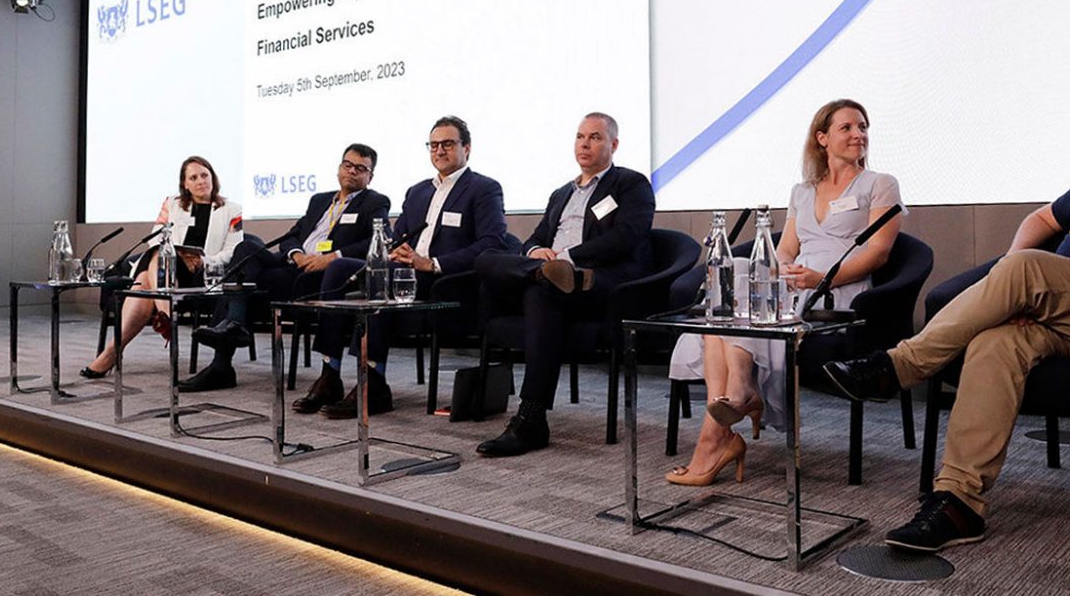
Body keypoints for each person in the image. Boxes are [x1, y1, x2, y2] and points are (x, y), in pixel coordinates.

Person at [824, 71, 1070, 552]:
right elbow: (1041, 219)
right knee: (997, 340)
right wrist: (1024, 283)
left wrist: (1038, 281)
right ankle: (959, 503)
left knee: (1028, 270)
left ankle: (899, 366)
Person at [664, 100, 903, 486]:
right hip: (796, 282)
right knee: (734, 281)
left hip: (837, 290)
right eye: (847, 128)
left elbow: (879, 252)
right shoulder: (803, 190)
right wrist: (782, 272)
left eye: (863, 127)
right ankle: (737, 397)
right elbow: (787, 248)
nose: (859, 134)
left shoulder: (880, 183)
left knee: (739, 306)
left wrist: (819, 277)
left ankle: (720, 430)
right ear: (822, 138)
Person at [293, 116, 508, 418]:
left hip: (445, 282)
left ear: (467, 148)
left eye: (448, 144)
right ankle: (330, 374)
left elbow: (493, 244)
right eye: (433, 145)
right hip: (404, 272)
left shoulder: (484, 189)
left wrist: (432, 263)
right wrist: (395, 251)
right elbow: (395, 239)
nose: (439, 151)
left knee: (385, 277)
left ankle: (374, 382)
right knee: (340, 269)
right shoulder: (417, 191)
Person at [474, 112, 655, 457]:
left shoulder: (630, 184)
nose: (585, 144)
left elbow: (627, 236)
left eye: (595, 137)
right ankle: (539, 272)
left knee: (542, 290)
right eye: (580, 136)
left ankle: (530, 418)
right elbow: (537, 237)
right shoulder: (561, 193)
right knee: (488, 260)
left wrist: (568, 258)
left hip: (600, 282)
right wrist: (535, 252)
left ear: (613, 144)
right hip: (552, 277)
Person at [181, 144, 391, 392]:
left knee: (243, 290)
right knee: (247, 247)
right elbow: (292, 236)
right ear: (339, 168)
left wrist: (333, 257)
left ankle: (221, 363)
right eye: (348, 165)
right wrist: (296, 253)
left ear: (370, 176)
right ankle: (232, 330)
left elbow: (381, 239)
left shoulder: (374, 202)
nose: (352, 171)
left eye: (360, 168)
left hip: (324, 275)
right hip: (294, 266)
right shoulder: (320, 200)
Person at [80, 156, 243, 378]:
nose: (200, 181)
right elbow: (155, 237)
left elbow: (233, 251)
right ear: (185, 184)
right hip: (167, 267)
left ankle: (112, 352)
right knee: (156, 258)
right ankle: (167, 313)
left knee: (143, 283)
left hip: (198, 273)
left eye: (204, 175)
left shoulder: (231, 210)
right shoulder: (172, 204)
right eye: (193, 177)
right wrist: (174, 253)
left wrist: (205, 261)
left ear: (212, 177)